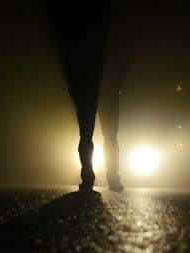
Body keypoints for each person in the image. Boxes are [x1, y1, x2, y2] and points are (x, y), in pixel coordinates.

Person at [44, 1, 127, 192]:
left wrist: (74, 89)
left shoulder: (80, 38)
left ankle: (89, 178)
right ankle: (111, 178)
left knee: (88, 136)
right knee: (109, 137)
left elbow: (73, 64)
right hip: (105, 89)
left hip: (90, 89)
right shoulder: (108, 37)